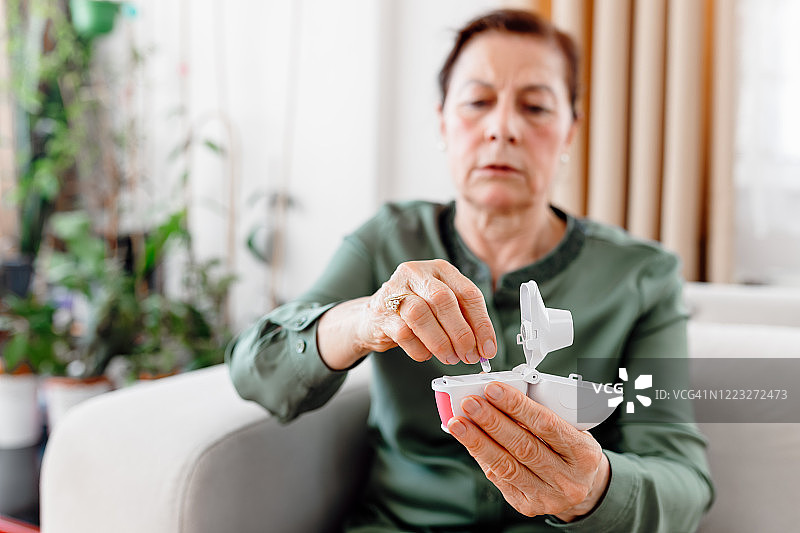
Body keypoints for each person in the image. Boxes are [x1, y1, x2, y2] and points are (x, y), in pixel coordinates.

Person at [227, 9, 714, 532]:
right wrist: (366, 319)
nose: (502, 129)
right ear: (442, 121)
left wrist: (592, 488)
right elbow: (256, 371)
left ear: (570, 132)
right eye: (478, 102)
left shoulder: (641, 276)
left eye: (535, 107)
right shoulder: (386, 241)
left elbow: (683, 481)